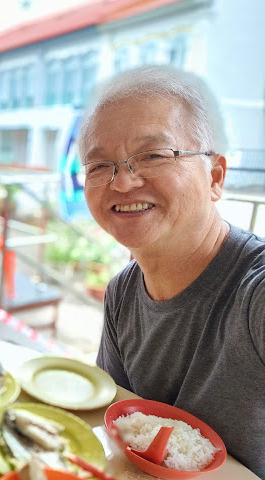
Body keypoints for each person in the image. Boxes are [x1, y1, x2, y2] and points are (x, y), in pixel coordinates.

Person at [78, 65, 264, 478]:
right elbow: (116, 425)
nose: (123, 182)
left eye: (153, 156)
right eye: (99, 166)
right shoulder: (123, 293)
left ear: (215, 177)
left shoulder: (257, 295)